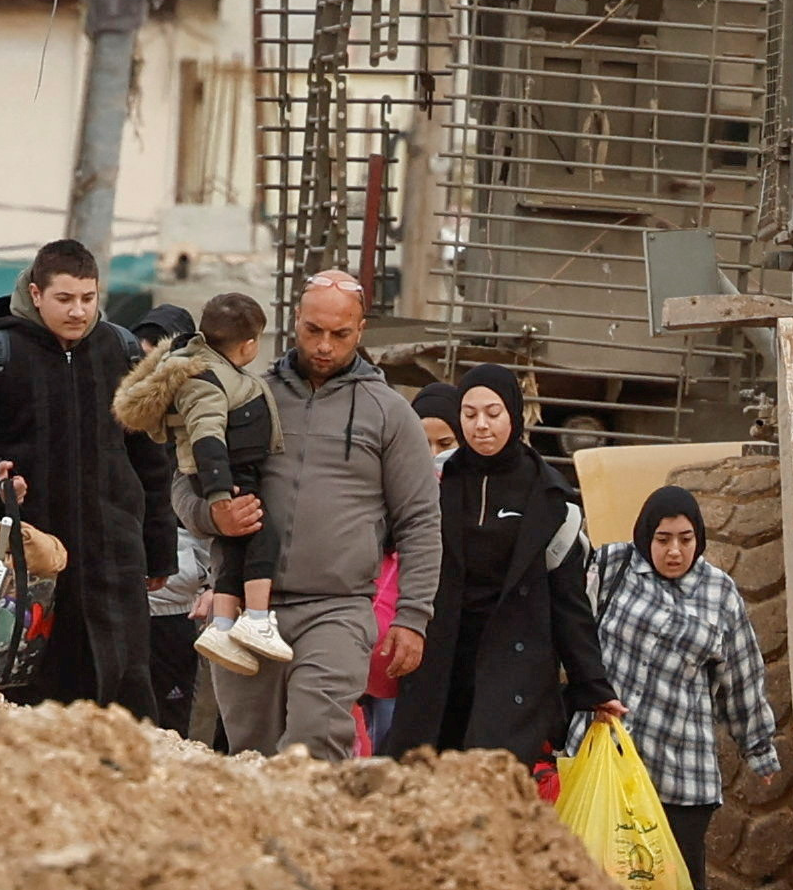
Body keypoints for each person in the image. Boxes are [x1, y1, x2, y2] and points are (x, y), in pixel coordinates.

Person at [184, 271, 442, 760]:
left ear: (360, 330)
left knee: (314, 739)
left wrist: (413, 617)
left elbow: (421, 521)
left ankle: (319, 833)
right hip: (244, 605)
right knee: (251, 754)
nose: (324, 346)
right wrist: (212, 517)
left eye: (340, 334)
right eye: (313, 330)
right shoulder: (247, 395)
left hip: (338, 609)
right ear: (294, 322)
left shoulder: (389, 413)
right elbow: (186, 483)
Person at [0, 239, 174, 711]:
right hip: (26, 569)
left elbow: (150, 460)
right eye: (64, 299)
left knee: (126, 698)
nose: (78, 312)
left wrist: (159, 549)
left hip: (112, 564)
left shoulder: (122, 352)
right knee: (28, 702)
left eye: (87, 299)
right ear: (35, 293)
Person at [384, 364, 624, 771]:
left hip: (513, 662)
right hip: (441, 655)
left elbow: (569, 602)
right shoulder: (433, 481)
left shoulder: (549, 496)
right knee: (419, 782)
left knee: (490, 784)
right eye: (470, 413)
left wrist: (593, 683)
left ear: (513, 414)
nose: (481, 426)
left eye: (493, 414)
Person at [578, 483, 785, 890]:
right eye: (663, 539)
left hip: (680, 768)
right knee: (599, 876)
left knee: (681, 889)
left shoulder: (719, 592)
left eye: (686, 540)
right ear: (644, 536)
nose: (675, 551)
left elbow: (741, 675)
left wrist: (759, 748)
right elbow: (571, 632)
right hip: (608, 755)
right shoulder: (613, 566)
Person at [112, 289, 288, 675]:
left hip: (228, 473)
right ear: (249, 344)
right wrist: (220, 495)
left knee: (234, 547)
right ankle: (258, 619)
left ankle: (223, 627)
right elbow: (207, 438)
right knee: (263, 537)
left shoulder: (215, 370)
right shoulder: (205, 379)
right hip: (228, 474)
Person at [360, 383, 462, 750]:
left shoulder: (463, 509)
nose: (432, 455)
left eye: (445, 444)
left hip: (407, 670)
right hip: (356, 657)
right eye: (422, 442)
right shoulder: (378, 488)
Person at [130, 304, 213, 738]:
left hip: (180, 610)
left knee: (173, 729)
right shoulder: (124, 422)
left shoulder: (203, 421)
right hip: (124, 607)